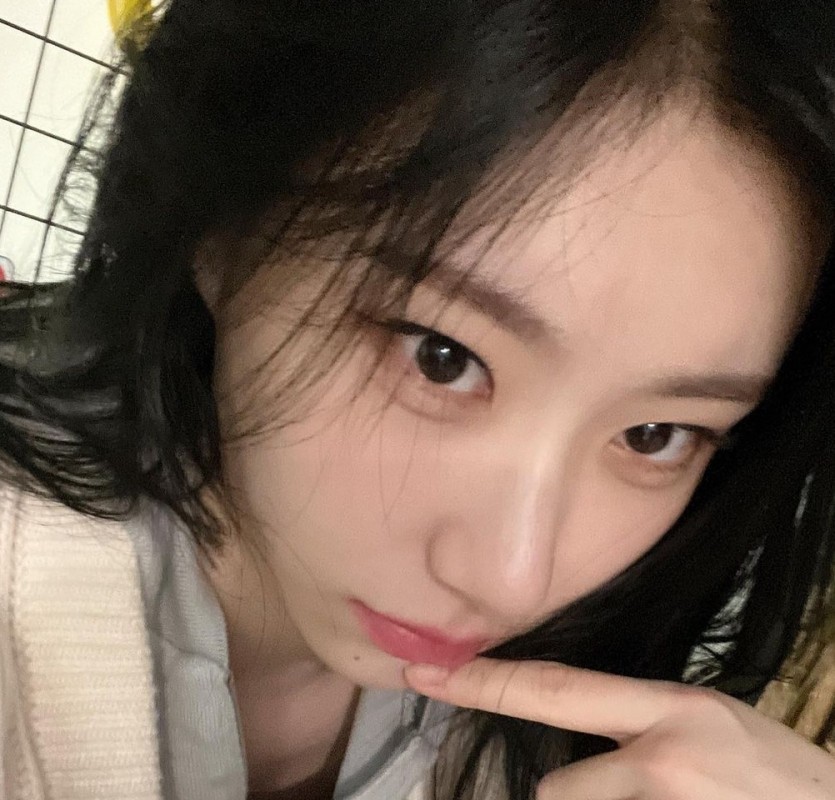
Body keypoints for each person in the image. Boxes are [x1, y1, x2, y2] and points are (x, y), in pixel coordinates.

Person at [1, 0, 834, 798]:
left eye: (654, 434)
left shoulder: (577, 729)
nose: (513, 579)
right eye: (442, 359)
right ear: (217, 225)